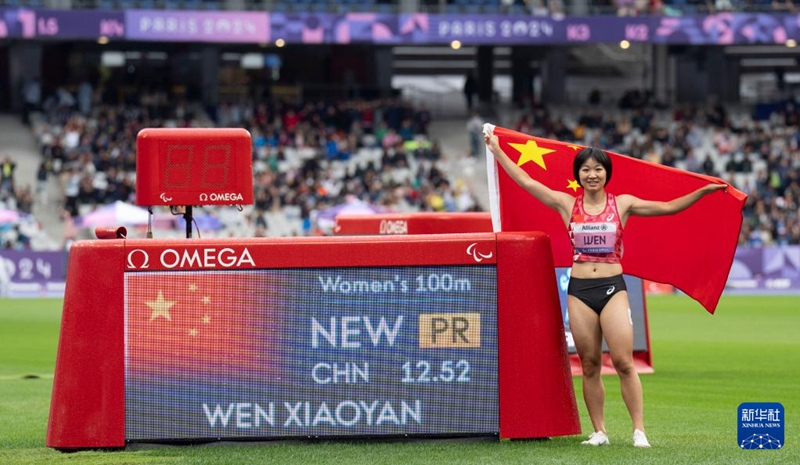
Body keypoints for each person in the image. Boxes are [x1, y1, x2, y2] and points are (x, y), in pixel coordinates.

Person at [484, 133, 726, 448]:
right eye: (586, 169)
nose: (592, 174)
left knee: (624, 362)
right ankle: (599, 431)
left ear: (606, 173)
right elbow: (527, 182)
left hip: (613, 287)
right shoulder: (566, 203)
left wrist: (703, 191)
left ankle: (639, 430)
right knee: (589, 364)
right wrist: (498, 151)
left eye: (598, 169)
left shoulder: (622, 203)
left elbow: (667, 208)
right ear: (578, 175)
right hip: (580, 289)